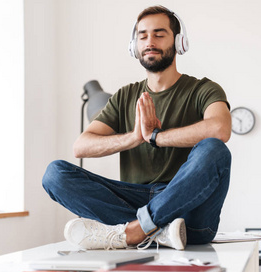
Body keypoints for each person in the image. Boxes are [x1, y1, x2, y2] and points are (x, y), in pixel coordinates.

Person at [42, 5, 232, 251]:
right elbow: (81, 146)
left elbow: (220, 129)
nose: (149, 41)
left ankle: (139, 230)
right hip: (136, 200)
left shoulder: (203, 89)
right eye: (142, 36)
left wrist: (156, 137)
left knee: (214, 149)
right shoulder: (124, 96)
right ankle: (156, 230)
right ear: (134, 46)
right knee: (55, 174)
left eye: (159, 34)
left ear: (179, 42)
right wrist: (134, 137)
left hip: (190, 212)